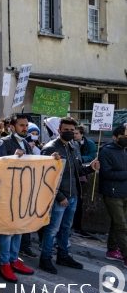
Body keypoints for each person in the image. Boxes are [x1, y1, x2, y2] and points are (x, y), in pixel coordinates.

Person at [39, 117, 99, 274]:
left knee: (66, 228)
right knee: (52, 229)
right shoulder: (50, 149)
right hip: (60, 198)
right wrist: (60, 197)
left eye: (72, 131)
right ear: (59, 131)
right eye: (66, 130)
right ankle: (45, 259)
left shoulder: (74, 146)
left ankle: (63, 256)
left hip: (73, 196)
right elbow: (46, 177)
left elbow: (77, 170)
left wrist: (91, 168)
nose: (70, 133)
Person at [0, 114, 35, 282]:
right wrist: (11, 158)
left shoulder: (26, 144)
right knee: (7, 232)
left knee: (18, 229)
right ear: (12, 127)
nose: (25, 128)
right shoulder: (4, 143)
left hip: (21, 194)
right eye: (22, 125)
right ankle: (4, 264)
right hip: (6, 195)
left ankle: (14, 259)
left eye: (26, 125)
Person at [98, 124, 127, 266]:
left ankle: (111, 250)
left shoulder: (125, 150)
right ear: (114, 137)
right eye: (123, 137)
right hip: (112, 193)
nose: (125, 140)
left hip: (124, 192)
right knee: (121, 226)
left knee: (118, 223)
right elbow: (106, 173)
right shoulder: (106, 151)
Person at [71, 124, 97, 238]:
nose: (74, 135)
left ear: (82, 134)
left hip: (82, 172)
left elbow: (92, 155)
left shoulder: (89, 144)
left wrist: (82, 159)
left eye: (76, 133)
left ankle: (77, 227)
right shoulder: (70, 143)